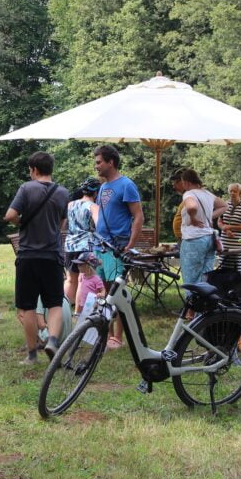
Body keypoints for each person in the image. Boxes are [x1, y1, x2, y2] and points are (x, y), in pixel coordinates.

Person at [4, 151, 70, 364]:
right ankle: (52, 340)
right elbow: (62, 224)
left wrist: (22, 224)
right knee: (55, 303)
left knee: (28, 306)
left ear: (34, 169)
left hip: (28, 256)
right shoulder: (62, 192)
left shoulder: (26, 188)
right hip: (52, 256)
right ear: (51, 169)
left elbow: (10, 216)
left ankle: (32, 354)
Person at [93, 144, 144, 349]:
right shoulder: (103, 187)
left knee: (118, 293)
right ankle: (107, 334)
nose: (96, 166)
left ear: (110, 162)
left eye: (99, 162)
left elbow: (138, 215)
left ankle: (118, 337)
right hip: (101, 246)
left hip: (118, 245)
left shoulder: (126, 185)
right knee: (106, 293)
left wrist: (131, 244)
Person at [178, 169, 227, 291]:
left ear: (187, 182)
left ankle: (191, 309)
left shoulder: (189, 194)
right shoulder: (207, 194)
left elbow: (192, 206)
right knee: (206, 278)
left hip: (193, 239)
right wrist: (208, 216)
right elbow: (224, 205)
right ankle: (204, 308)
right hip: (209, 238)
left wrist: (193, 218)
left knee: (191, 279)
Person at [64, 176, 101, 312]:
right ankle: (78, 312)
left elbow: (64, 225)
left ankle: (63, 310)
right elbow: (99, 226)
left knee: (70, 279)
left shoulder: (70, 205)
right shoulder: (93, 206)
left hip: (69, 245)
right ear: (96, 192)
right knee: (83, 279)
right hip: (86, 245)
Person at [217, 183, 241, 273]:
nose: (232, 193)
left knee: (237, 273)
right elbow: (219, 222)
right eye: (231, 191)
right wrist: (225, 229)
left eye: (235, 191)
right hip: (224, 245)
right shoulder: (225, 205)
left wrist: (230, 227)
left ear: (240, 193)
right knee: (222, 271)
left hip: (237, 247)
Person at [71, 252, 106, 318]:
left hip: (93, 305)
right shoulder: (83, 276)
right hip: (83, 304)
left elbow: (103, 290)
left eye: (80, 265)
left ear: (88, 266)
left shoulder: (96, 279)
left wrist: (101, 294)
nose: (78, 266)